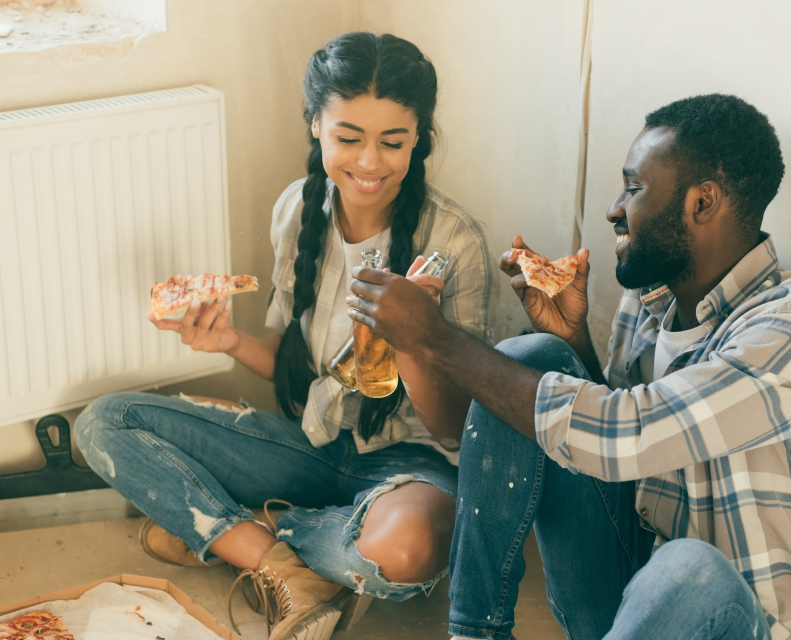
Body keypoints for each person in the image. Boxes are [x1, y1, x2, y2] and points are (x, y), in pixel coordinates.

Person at [346, 94, 791, 640]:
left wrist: (432, 337)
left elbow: (629, 433)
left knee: (689, 568)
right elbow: (621, 464)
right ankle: (474, 632)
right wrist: (572, 347)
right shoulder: (648, 302)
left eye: (634, 188)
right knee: (533, 360)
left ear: (702, 202)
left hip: (742, 622)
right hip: (630, 607)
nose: (615, 209)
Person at [75, 32, 497, 640]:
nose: (369, 162)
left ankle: (235, 533)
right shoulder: (297, 211)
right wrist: (229, 344)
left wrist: (413, 338)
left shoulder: (456, 242)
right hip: (306, 445)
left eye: (393, 141)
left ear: (419, 139)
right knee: (103, 424)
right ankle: (282, 563)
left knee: (405, 555)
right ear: (315, 127)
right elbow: (297, 367)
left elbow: (458, 428)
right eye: (348, 138)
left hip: (411, 468)